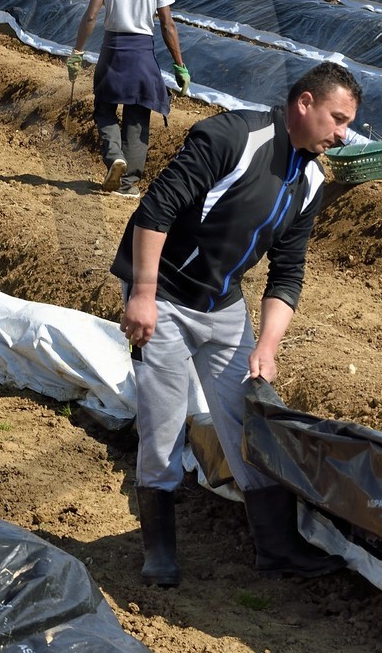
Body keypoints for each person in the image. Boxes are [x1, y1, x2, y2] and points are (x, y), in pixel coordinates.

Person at [113, 60, 362, 587]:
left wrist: (268, 344)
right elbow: (157, 209)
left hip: (224, 307)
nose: (343, 135)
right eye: (337, 120)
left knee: (245, 421)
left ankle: (276, 549)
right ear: (305, 104)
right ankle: (159, 552)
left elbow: (287, 271)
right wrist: (143, 294)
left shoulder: (311, 180)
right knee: (163, 420)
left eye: (347, 124)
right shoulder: (233, 137)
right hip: (167, 299)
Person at [70, 0, 188, 196]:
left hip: (113, 50)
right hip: (142, 53)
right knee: (137, 117)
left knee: (104, 108)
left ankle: (115, 157)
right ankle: (128, 184)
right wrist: (179, 65)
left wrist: (77, 52)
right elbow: (168, 24)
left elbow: (91, 16)